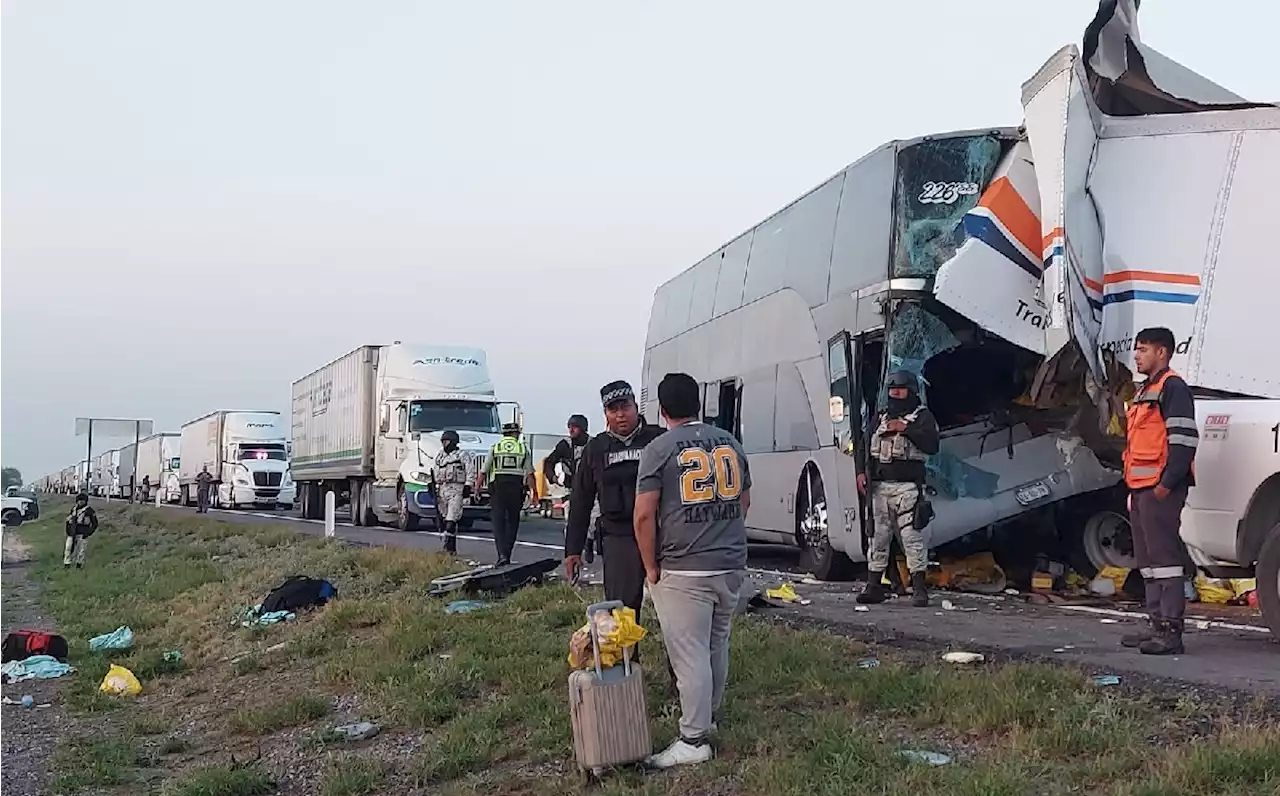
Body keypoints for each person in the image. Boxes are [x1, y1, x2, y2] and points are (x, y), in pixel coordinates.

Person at [634, 372, 751, 769]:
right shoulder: (730, 443)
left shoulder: (659, 449)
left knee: (690, 655)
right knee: (717, 644)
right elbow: (743, 501)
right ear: (699, 404)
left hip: (685, 566)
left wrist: (651, 566)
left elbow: (644, 515)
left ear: (661, 410)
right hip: (730, 561)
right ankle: (709, 719)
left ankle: (693, 738)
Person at [1122, 327, 1198, 656]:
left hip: (1159, 489)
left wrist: (1166, 484)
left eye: (1143, 349)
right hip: (1141, 490)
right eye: (1136, 349)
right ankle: (1156, 624)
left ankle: (1171, 631)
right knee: (1149, 563)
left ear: (1162, 352)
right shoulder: (1144, 391)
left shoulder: (1173, 388)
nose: (1136, 355)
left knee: (1165, 561)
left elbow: (1184, 442)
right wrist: (1133, 490)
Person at [564, 380, 665, 613]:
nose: (621, 415)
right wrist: (573, 550)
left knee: (675, 610)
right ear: (605, 414)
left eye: (625, 407)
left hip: (661, 535)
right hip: (618, 537)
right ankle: (626, 652)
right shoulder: (596, 449)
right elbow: (581, 500)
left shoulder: (658, 440)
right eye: (613, 409)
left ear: (636, 406)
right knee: (622, 611)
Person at [855, 370, 941, 608]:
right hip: (879, 487)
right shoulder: (880, 416)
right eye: (892, 389)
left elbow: (932, 445)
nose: (895, 394)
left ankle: (919, 589)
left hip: (908, 488)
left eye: (900, 389)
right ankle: (874, 586)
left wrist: (905, 428)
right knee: (877, 537)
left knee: (912, 537)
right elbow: (864, 444)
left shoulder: (922, 417)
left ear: (911, 391)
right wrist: (861, 473)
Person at [485, 421, 535, 566]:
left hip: (498, 488)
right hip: (515, 488)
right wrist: (535, 492)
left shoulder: (496, 447)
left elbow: (484, 470)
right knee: (513, 522)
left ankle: (501, 555)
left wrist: (476, 487)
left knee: (498, 522)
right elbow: (530, 473)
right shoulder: (522, 448)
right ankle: (507, 553)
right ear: (515, 433)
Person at [432, 429, 467, 555]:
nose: (444, 444)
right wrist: (432, 485)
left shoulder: (462, 455)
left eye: (447, 441)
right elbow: (435, 470)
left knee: (451, 521)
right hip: (442, 489)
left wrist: (468, 486)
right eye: (443, 441)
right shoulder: (440, 455)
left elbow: (470, 471)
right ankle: (449, 548)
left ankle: (449, 548)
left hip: (456, 489)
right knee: (444, 519)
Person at [64, 492, 98, 568]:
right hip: (72, 532)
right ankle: (67, 563)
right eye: (79, 500)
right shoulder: (74, 509)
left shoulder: (90, 511)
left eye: (83, 500)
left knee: (81, 550)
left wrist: (89, 532)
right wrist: (68, 531)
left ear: (86, 501)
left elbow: (95, 523)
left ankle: (79, 564)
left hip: (83, 533)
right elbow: (68, 520)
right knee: (68, 548)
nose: (81, 502)